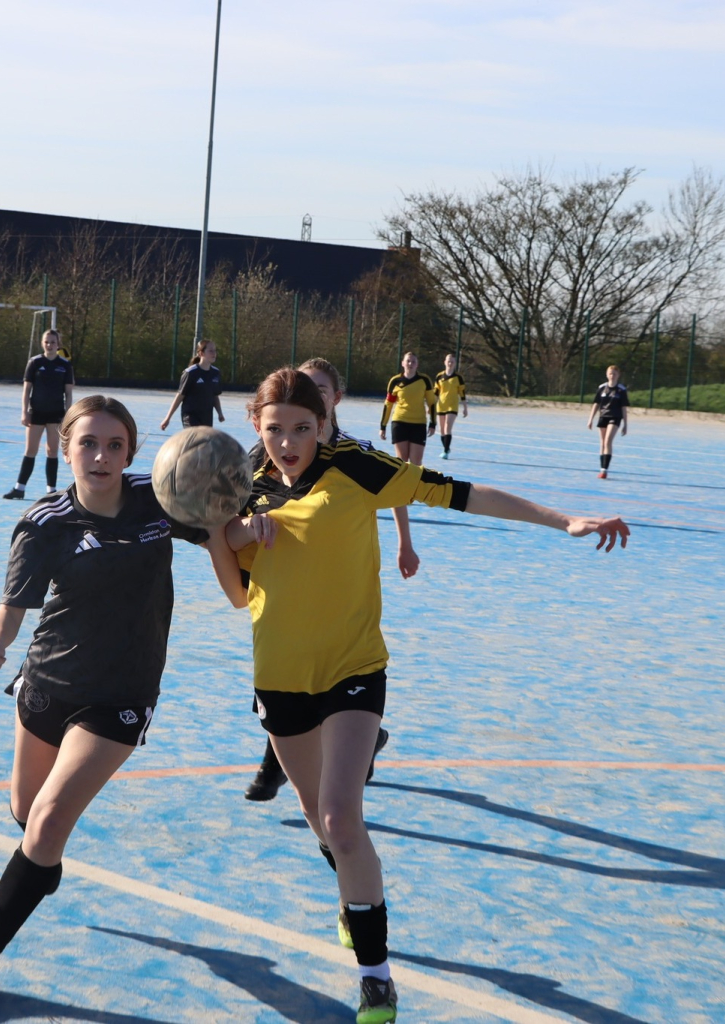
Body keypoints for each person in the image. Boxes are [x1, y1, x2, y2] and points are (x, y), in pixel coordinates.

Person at [214, 367, 628, 1024]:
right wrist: (231, 534)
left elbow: (464, 494)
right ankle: (358, 899)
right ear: (256, 429)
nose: (289, 441)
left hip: (354, 669)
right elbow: (237, 595)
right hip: (280, 676)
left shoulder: (357, 467)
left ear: (323, 424)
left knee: (343, 818)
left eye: (302, 427)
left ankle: (376, 978)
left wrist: (565, 520)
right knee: (325, 824)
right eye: (275, 429)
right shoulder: (242, 491)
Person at [0, 395, 223, 1010]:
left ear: (130, 450)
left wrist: (248, 520)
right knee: (27, 814)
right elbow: (13, 609)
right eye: (87, 444)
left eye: (115, 445)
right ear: (64, 449)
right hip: (46, 683)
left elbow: (222, 514)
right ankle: (41, 868)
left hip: (121, 694)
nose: (101, 457)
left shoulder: (159, 496)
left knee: (44, 824)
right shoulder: (44, 524)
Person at [244, 358, 401, 802]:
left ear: (332, 401)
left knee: (335, 802)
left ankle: (349, 741)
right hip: (284, 625)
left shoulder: (354, 455)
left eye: (318, 389)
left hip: (345, 629)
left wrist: (405, 543)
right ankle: (282, 762)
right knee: (290, 689)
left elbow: (403, 488)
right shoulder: (263, 463)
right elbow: (237, 539)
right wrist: (230, 532)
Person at [3, 329, 74, 499]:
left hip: (56, 414)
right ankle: (19, 488)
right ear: (42, 343)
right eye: (47, 342)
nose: (49, 345)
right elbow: (26, 391)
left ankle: (51, 491)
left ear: (58, 344)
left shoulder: (65, 365)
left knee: (52, 451)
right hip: (36, 413)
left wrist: (67, 416)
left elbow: (69, 394)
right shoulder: (34, 363)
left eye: (53, 342)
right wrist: (24, 412)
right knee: (30, 450)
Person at [379, 351, 437, 465]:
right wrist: (383, 426)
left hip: (418, 424)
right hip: (399, 423)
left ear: (417, 364)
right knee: (402, 461)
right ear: (402, 363)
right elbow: (388, 404)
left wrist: (433, 423)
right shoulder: (395, 381)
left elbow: (432, 403)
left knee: (416, 462)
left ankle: (416, 483)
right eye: (408, 361)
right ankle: (402, 483)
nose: (410, 363)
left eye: (413, 361)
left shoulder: (424, 380)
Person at [159, 339, 225, 430]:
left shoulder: (215, 373)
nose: (214, 353)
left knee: (205, 443)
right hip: (190, 417)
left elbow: (214, 396)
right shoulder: (190, 372)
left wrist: (220, 413)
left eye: (215, 350)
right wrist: (167, 418)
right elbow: (180, 396)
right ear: (201, 353)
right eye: (210, 351)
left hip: (207, 418)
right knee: (195, 441)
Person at [586, 365, 629, 479]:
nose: (612, 375)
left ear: (618, 375)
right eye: (610, 373)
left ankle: (605, 470)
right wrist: (590, 419)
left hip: (615, 417)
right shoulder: (601, 388)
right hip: (603, 416)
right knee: (602, 442)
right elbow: (596, 404)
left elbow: (624, 408)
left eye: (614, 373)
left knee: (608, 441)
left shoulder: (621, 390)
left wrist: (625, 424)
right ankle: (601, 468)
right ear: (607, 374)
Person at [433, 353, 468, 459]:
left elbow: (462, 393)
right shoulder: (439, 376)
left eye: (452, 361)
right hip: (441, 405)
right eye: (448, 361)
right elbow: (436, 393)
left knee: (448, 426)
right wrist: (431, 406)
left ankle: (445, 451)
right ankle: (446, 447)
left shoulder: (458, 377)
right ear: (444, 362)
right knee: (442, 429)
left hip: (452, 406)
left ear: (455, 363)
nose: (450, 363)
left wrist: (465, 408)